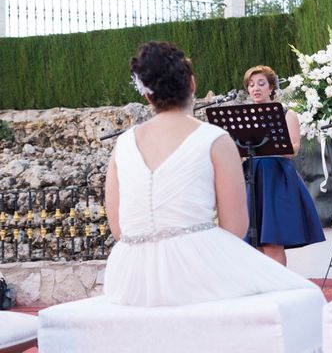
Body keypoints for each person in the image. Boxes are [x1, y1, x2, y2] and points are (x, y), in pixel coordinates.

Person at [103, 42, 316, 306]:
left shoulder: (122, 144)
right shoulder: (215, 139)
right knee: (303, 299)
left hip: (128, 278)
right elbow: (235, 228)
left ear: (147, 95)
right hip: (195, 271)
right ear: (192, 84)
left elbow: (119, 230)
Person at [242, 65, 325, 266]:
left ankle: (280, 290)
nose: (256, 88)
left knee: (272, 242)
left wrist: (267, 145)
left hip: (276, 179)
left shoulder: (287, 114)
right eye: (251, 85)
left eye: (261, 84)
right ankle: (263, 288)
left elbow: (294, 149)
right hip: (252, 178)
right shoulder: (244, 117)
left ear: (271, 88)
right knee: (254, 244)